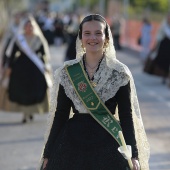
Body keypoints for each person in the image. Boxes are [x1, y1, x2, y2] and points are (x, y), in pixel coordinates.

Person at [39, 14, 150, 170]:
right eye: (87, 33)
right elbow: (61, 114)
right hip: (72, 144)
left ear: (106, 38)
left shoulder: (119, 73)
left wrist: (134, 155)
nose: (93, 38)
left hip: (109, 143)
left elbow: (126, 115)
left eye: (98, 33)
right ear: (81, 38)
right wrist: (48, 153)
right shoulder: (68, 72)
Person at [2, 15, 52, 123]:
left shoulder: (38, 39)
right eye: (28, 26)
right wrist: (9, 68)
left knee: (35, 91)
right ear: (24, 27)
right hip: (20, 70)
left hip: (35, 70)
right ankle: (25, 114)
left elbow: (44, 55)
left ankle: (31, 112)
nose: (30, 28)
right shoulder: (19, 39)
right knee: (22, 92)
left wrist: (46, 67)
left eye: (31, 26)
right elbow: (12, 55)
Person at [144, 12, 170, 85]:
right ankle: (164, 76)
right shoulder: (164, 25)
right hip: (164, 47)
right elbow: (162, 36)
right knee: (164, 61)